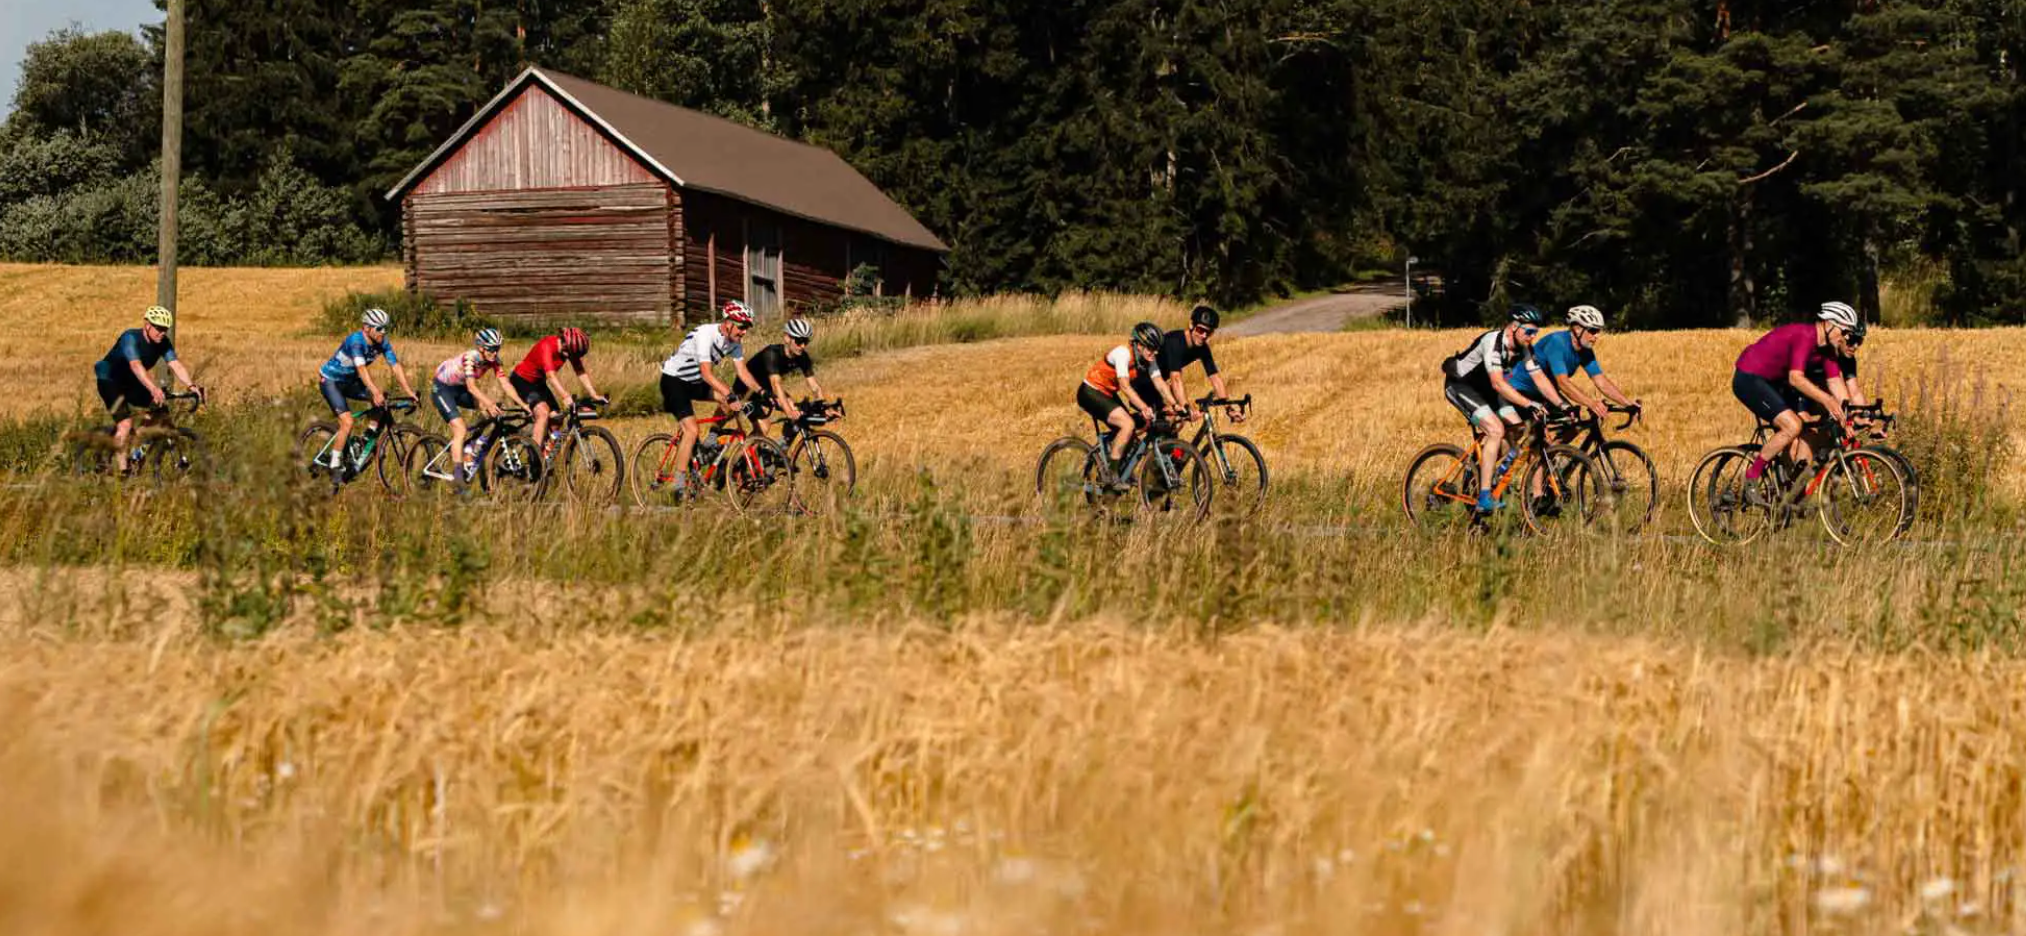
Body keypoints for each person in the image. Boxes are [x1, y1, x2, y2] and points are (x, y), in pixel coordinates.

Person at [1440, 303, 1565, 512]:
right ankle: (1484, 496)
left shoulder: (1524, 349)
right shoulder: (1493, 342)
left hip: (1487, 390)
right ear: (1514, 326)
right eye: (1529, 331)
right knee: (1496, 429)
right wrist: (1529, 403)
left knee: (1519, 430)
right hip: (1461, 386)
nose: (1532, 336)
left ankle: (1482, 473)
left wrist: (1562, 405)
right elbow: (1498, 383)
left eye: (1536, 332)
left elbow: (1540, 379)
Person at [1730, 300, 1859, 502]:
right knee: (1792, 425)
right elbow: (1795, 378)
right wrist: (1826, 400)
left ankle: (1787, 498)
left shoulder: (1827, 351)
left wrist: (1852, 416)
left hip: (1774, 383)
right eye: (1844, 332)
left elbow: (1836, 385)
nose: (1846, 338)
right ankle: (1751, 477)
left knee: (1808, 429)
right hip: (1750, 377)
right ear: (1829, 324)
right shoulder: (1805, 336)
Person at [658, 300, 760, 494]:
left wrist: (763, 392)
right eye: (742, 326)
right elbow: (706, 372)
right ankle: (678, 484)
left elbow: (743, 372)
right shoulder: (706, 334)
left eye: (747, 328)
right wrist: (728, 394)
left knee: (729, 399)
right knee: (692, 430)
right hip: (674, 381)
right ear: (728, 323)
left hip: (694, 382)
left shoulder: (734, 342)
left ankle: (711, 440)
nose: (744, 332)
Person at [94, 305, 203, 470]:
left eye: (165, 329)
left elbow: (175, 364)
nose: (162, 332)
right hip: (110, 379)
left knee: (160, 409)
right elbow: (136, 365)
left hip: (131, 381)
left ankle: (136, 447)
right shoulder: (130, 338)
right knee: (125, 423)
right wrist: (153, 388)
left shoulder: (163, 343)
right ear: (147, 325)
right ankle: (124, 473)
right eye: (159, 328)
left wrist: (191, 386)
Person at [1079, 321, 1180, 488]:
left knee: (1139, 424)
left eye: (1156, 349)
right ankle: (1112, 473)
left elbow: (1160, 383)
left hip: (1107, 393)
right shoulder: (1122, 353)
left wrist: (1175, 405)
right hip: (1090, 392)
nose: (1154, 353)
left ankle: (1120, 461)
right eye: (1150, 348)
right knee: (1128, 424)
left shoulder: (1148, 358)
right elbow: (1125, 386)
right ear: (1139, 344)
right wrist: (1143, 407)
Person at [317, 307, 417, 470]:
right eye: (379, 328)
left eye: (386, 328)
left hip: (350, 382)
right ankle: (334, 464)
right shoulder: (355, 341)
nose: (383, 332)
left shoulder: (382, 342)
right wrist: (374, 392)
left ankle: (366, 437)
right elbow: (361, 369)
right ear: (366, 328)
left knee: (382, 400)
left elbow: (395, 366)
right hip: (331, 382)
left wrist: (408, 390)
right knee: (347, 422)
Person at [1506, 304, 1640, 420]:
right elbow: (1562, 383)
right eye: (1592, 330)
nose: (1596, 336)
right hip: (1520, 388)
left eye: (1598, 331)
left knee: (1573, 422)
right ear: (1577, 329)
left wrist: (1627, 404)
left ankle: (1550, 450)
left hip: (1546, 392)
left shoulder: (1585, 350)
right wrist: (1591, 403)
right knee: (1518, 430)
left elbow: (1601, 381)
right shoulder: (1557, 343)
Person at [1129, 304, 1245, 426]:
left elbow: (1215, 378)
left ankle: (1163, 444)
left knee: (1176, 422)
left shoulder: (1202, 348)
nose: (1204, 336)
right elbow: (1176, 378)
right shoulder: (1175, 342)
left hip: (1158, 384)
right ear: (1191, 325)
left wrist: (1229, 409)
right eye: (1200, 330)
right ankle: (1127, 427)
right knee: (1168, 418)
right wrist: (1186, 406)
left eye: (1209, 333)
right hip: (1141, 383)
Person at [426, 328, 514, 484]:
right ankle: (458, 478)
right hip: (442, 388)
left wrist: (524, 404)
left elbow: (505, 383)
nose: (495, 353)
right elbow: (472, 387)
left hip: (460, 388)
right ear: (481, 347)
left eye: (497, 349)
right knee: (460, 429)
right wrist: (489, 402)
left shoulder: (494, 361)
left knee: (489, 413)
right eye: (492, 349)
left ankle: (469, 449)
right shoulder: (469, 358)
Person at [508, 326, 606, 452]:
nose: (570, 356)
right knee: (543, 412)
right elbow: (551, 375)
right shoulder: (547, 345)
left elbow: (580, 371)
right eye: (571, 353)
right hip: (521, 380)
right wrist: (565, 396)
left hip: (538, 383)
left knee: (557, 420)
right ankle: (535, 461)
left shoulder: (569, 348)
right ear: (565, 343)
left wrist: (594, 395)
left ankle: (546, 454)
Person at [738, 316, 830, 433]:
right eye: (799, 341)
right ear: (787, 338)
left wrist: (824, 407)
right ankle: (744, 452)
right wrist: (788, 412)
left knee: (796, 409)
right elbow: (776, 384)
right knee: (763, 427)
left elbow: (814, 386)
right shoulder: (771, 354)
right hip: (747, 390)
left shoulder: (802, 356)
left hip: (767, 390)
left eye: (805, 341)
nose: (803, 346)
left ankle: (780, 448)